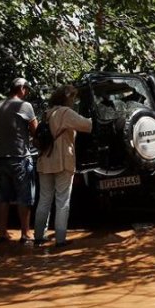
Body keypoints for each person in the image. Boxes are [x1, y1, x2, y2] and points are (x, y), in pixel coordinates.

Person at [34, 85, 92, 247]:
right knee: (62, 201)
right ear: (67, 98)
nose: (74, 100)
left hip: (45, 161)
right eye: (72, 97)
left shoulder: (47, 113)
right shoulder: (66, 113)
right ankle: (60, 239)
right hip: (62, 161)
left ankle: (39, 236)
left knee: (44, 199)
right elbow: (87, 125)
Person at [0, 77, 38, 244]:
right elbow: (36, 132)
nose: (26, 93)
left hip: (2, 158)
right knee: (24, 197)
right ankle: (25, 234)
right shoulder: (24, 106)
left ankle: (2, 233)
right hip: (19, 159)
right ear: (21, 88)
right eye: (26, 89)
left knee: (3, 198)